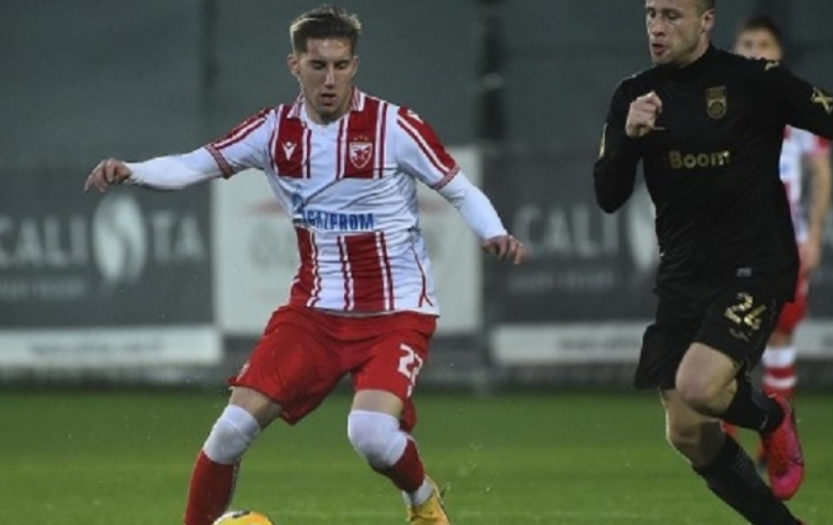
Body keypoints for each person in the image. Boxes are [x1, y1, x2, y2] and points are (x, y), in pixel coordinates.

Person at [85, 6, 525, 525]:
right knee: (228, 433)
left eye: (340, 65)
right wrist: (132, 171)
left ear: (355, 65)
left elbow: (459, 188)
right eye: (318, 66)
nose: (330, 79)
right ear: (294, 65)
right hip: (315, 312)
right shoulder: (273, 131)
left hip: (396, 311)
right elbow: (195, 164)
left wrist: (492, 230)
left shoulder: (395, 127)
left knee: (371, 436)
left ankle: (422, 500)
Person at [593, 0, 833, 524]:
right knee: (686, 432)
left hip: (754, 264)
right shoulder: (634, 95)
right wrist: (629, 141)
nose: (657, 26)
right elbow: (608, 196)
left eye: (672, 15)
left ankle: (772, 416)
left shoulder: (754, 81)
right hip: (682, 276)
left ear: (706, 20)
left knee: (700, 386)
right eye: (651, 13)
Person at [725, 16, 833, 458]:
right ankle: (724, 441)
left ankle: (776, 441)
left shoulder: (799, 104)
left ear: (779, 52)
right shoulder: (717, 103)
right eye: (747, 42)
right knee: (723, 338)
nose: (755, 50)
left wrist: (815, 236)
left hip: (785, 242)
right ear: (734, 49)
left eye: (763, 43)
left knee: (781, 336)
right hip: (728, 242)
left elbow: (821, 171)